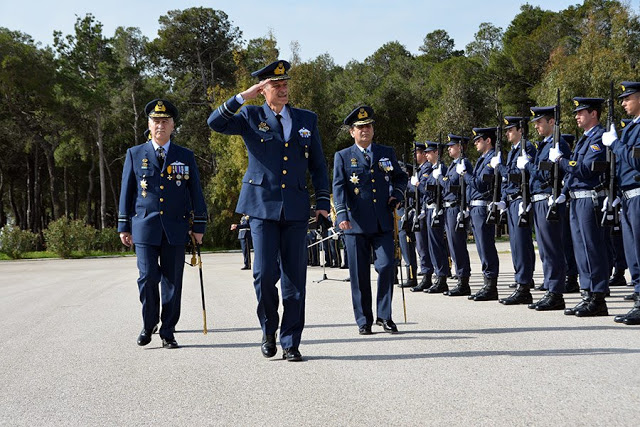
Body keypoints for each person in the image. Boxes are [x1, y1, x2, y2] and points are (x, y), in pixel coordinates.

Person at [207, 60, 330, 361]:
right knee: (263, 275)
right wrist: (242, 97)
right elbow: (215, 123)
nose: (284, 89)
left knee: (294, 279)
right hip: (261, 207)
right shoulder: (250, 115)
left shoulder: (306, 119)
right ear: (263, 89)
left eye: (285, 83)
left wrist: (324, 203)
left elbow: (317, 164)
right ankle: (268, 330)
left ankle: (290, 342)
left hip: (297, 208)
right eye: (276, 85)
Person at [118, 98, 207, 349]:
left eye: (165, 121)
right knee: (147, 278)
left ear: (173, 126)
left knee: (172, 281)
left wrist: (198, 226)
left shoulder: (185, 156)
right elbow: (127, 191)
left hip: (176, 228)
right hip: (144, 226)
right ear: (148, 125)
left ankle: (168, 330)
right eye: (156, 121)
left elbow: (196, 192)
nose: (160, 126)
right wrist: (123, 225)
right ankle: (148, 324)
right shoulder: (135, 154)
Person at [333, 106, 407, 335]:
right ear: (352, 132)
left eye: (368, 126)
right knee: (359, 274)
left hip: (382, 221)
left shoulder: (386, 152)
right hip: (355, 224)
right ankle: (364, 319)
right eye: (360, 127)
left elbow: (400, 177)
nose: (365, 130)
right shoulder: (343, 156)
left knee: (386, 266)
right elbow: (339, 187)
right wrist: (342, 215)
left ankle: (384, 316)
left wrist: (398, 194)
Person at [549, 97, 609, 317]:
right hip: (576, 199)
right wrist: (563, 194)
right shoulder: (585, 139)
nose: (577, 116)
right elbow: (575, 175)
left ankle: (598, 297)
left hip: (589, 199)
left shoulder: (598, 138)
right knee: (580, 249)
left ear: (594, 114)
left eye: (581, 112)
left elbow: (585, 170)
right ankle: (587, 294)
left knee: (591, 248)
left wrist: (562, 161)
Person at [520, 106, 572, 310]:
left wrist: (529, 166)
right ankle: (551, 288)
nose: (537, 126)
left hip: (549, 199)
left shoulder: (559, 145)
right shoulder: (544, 145)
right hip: (540, 199)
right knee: (544, 249)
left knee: (552, 248)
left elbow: (546, 175)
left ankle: (556, 293)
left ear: (552, 122)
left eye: (540, 122)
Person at [602, 81, 640, 325]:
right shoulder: (631, 128)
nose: (624, 103)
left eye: (628, 98)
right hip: (627, 196)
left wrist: (615, 144)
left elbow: (636, 161)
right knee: (632, 251)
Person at [489, 116, 537, 305]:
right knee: (516, 245)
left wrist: (499, 167)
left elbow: (518, 177)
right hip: (511, 202)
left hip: (520, 200)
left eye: (511, 130)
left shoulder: (528, 148)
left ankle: (524, 285)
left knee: (522, 245)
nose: (508, 133)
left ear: (520, 131)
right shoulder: (512, 152)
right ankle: (521, 280)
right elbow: (508, 181)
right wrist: (502, 200)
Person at [463, 127, 501, 301]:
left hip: (483, 207)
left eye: (479, 140)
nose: (476, 143)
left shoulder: (491, 159)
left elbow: (479, 185)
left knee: (486, 246)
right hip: (476, 208)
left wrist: (465, 175)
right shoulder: (482, 159)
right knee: (480, 247)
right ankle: (487, 283)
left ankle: (491, 286)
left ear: (488, 141)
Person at [438, 134, 473, 295]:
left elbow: (457, 186)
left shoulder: (463, 163)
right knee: (453, 245)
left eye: (452, 146)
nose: (449, 148)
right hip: (449, 208)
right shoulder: (453, 165)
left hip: (456, 207)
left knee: (458, 245)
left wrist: (464, 208)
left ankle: (463, 281)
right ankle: (460, 278)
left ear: (460, 147)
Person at [415, 142, 450, 293]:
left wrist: (416, 184)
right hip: (429, 209)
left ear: (436, 152)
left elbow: (436, 191)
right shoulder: (434, 169)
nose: (426, 155)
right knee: (431, 245)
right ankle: (438, 276)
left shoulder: (440, 169)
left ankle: (442, 278)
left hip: (437, 209)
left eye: (429, 152)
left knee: (437, 245)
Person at [407, 142, 434, 288]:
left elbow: (423, 190)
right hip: (418, 209)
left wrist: (414, 184)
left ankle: (427, 276)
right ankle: (426, 275)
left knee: (423, 245)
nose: (415, 155)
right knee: (420, 245)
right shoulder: (420, 169)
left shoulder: (427, 168)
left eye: (417, 152)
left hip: (424, 209)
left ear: (424, 154)